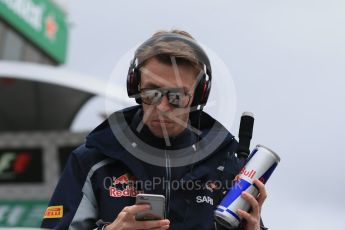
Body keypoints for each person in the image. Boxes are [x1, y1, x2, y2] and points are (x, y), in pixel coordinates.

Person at [41, 30, 268, 230]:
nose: (162, 108)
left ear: (199, 95)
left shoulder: (230, 167)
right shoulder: (91, 160)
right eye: (151, 93)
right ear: (135, 86)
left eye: (177, 97)